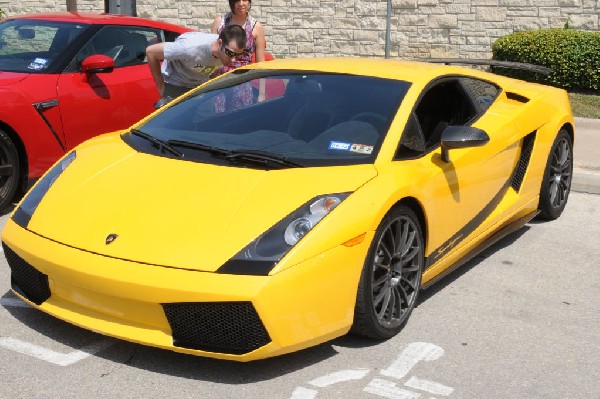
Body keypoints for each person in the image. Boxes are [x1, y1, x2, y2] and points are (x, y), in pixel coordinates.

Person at [146, 24, 247, 99]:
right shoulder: (188, 47)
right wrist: (160, 87)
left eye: (238, 55)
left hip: (199, 87)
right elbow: (151, 52)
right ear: (220, 43)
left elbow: (213, 68)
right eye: (231, 54)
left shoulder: (225, 52)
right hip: (176, 84)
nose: (233, 60)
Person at [211, 0, 267, 110]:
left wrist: (262, 94)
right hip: (219, 81)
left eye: (244, 0)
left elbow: (261, 63)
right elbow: (211, 54)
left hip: (242, 82)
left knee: (239, 120)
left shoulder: (256, 26)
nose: (241, 4)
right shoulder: (220, 22)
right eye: (237, 0)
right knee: (217, 119)